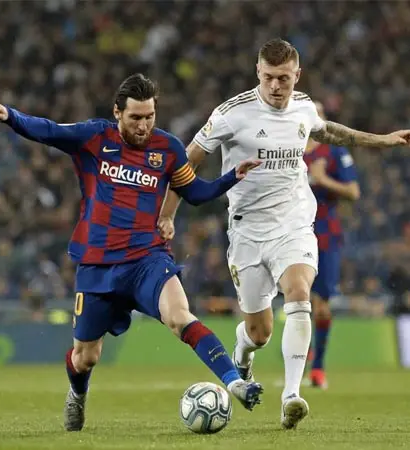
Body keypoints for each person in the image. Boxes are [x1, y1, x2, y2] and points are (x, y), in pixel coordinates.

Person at [0, 73, 263, 432]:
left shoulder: (168, 149)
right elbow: (48, 130)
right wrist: (10, 116)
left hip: (147, 258)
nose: (143, 126)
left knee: (179, 316)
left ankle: (234, 381)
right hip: (98, 265)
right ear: (117, 113)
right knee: (85, 357)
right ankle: (77, 395)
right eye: (135, 118)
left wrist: (232, 176)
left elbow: (197, 194)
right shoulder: (95, 137)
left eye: (149, 117)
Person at [157, 38, 410, 429]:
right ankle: (244, 349)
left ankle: (292, 395)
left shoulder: (305, 107)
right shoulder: (231, 114)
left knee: (299, 292)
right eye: (270, 78)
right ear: (258, 72)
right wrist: (168, 215)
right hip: (247, 232)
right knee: (260, 333)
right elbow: (187, 162)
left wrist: (382, 139)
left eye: (285, 79)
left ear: (297, 75)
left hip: (294, 223)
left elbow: (331, 133)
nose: (277, 87)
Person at [304, 101, 360, 389]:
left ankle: (318, 366)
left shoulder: (335, 151)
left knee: (322, 307)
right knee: (298, 302)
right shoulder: (287, 150)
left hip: (326, 236)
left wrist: (323, 179)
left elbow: (353, 191)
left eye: (319, 114)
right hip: (292, 234)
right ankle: (303, 350)